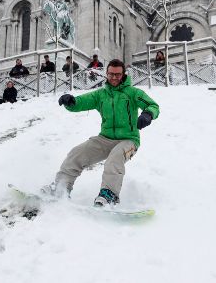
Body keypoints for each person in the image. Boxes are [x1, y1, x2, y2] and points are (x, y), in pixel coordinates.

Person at [47, 59, 160, 207]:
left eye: (118, 75)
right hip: (105, 139)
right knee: (77, 153)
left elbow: (153, 105)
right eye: (111, 74)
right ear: (106, 74)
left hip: (129, 140)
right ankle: (60, 188)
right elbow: (82, 102)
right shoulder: (101, 94)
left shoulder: (133, 93)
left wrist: (148, 114)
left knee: (115, 158)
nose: (114, 78)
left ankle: (109, 195)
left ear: (123, 74)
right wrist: (71, 101)